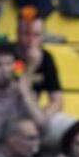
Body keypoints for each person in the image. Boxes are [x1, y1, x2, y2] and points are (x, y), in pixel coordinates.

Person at [14, 10, 71, 144]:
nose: (30, 40)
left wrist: (44, 116)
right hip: (10, 113)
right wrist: (32, 66)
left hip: (35, 113)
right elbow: (18, 93)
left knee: (71, 127)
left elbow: (57, 100)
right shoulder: (10, 56)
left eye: (36, 35)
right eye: (26, 34)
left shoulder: (46, 57)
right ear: (17, 33)